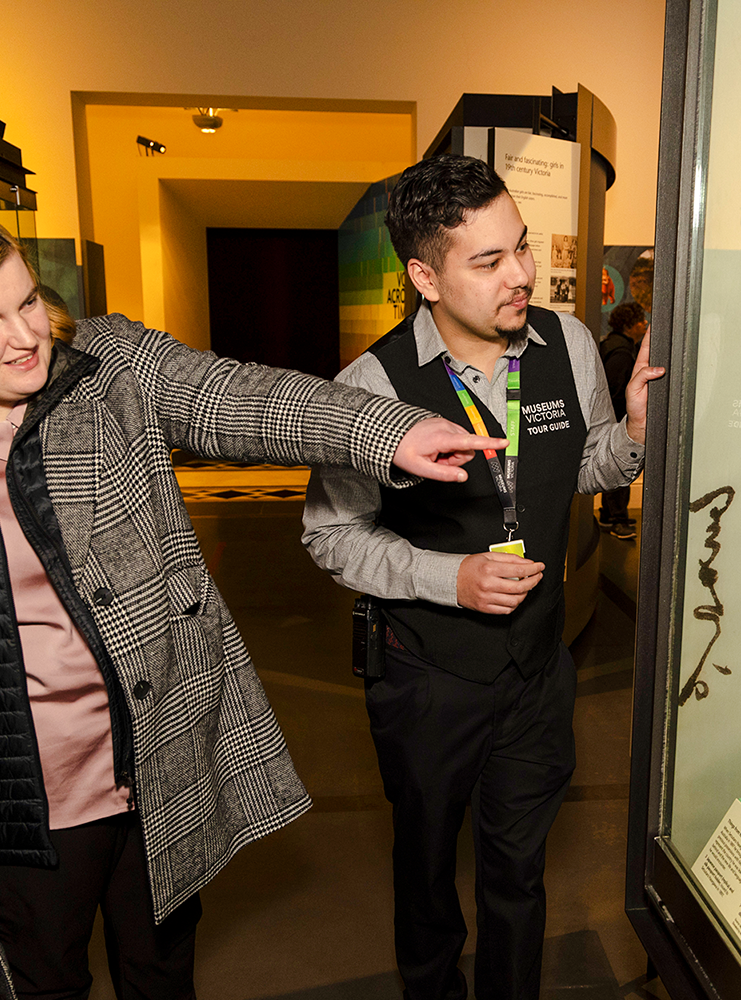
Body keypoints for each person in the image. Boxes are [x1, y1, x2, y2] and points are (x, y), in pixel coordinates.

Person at [0, 204, 498, 1000]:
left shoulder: (106, 365)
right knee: (35, 984)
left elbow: (237, 397)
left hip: (154, 762)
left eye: (26, 301)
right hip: (8, 798)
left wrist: (384, 431)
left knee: (161, 975)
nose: (25, 335)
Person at [301, 155, 664, 1000]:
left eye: (523, 249)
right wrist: (445, 577)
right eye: (489, 261)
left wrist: (636, 435)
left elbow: (584, 466)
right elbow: (329, 535)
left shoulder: (568, 343)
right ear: (424, 276)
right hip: (427, 676)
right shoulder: (369, 388)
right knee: (427, 872)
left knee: (520, 871)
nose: (523, 276)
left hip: (537, 669)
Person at [597, 301, 648, 538]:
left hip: (608, 420)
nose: (645, 324)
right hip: (617, 420)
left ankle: (609, 514)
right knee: (621, 466)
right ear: (630, 325)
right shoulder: (622, 352)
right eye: (641, 321)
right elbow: (615, 391)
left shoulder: (612, 344)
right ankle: (618, 518)